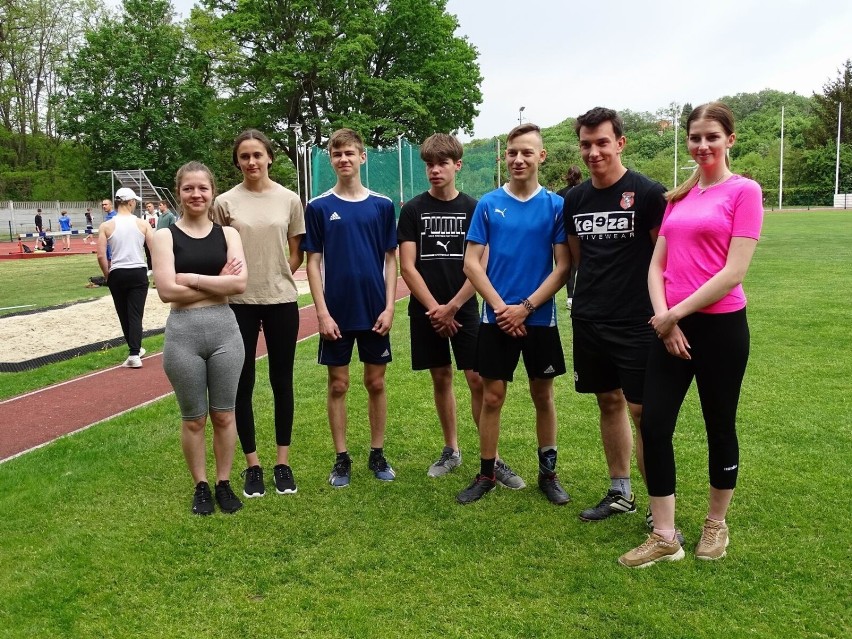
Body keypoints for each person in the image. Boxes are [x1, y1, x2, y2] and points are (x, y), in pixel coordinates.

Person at [619, 102, 763, 567]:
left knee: (719, 425)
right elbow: (656, 265)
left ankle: (716, 523)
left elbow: (734, 271)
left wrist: (673, 314)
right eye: (695, 137)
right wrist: (667, 321)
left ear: (729, 140)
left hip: (721, 328)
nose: (702, 146)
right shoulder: (677, 196)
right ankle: (664, 535)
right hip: (670, 327)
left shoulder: (745, 192)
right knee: (655, 425)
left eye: (711, 137)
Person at [456, 123, 571, 506]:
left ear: (541, 157)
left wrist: (525, 308)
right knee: (492, 397)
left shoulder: (555, 205)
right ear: (504, 157)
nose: (518, 159)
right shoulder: (488, 204)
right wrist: (500, 307)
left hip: (539, 319)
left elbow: (562, 267)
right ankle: (487, 473)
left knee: (543, 395)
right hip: (496, 319)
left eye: (526, 152)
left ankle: (548, 474)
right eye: (511, 152)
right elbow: (471, 263)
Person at [564, 107, 666, 524]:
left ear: (620, 143)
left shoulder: (646, 193)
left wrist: (666, 315)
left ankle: (658, 504)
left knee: (643, 412)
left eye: (602, 142)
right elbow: (577, 259)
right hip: (590, 319)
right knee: (608, 402)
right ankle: (620, 491)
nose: (593, 151)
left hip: (637, 322)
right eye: (586, 144)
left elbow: (663, 261)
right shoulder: (574, 199)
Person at [212, 129, 305, 497]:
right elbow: (216, 249)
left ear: (269, 158)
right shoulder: (224, 202)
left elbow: (296, 249)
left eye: (258, 155)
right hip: (238, 304)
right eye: (245, 156)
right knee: (243, 384)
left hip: (281, 299)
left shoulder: (290, 199)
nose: (252, 162)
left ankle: (282, 463)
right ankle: (253, 465)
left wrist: (280, 271)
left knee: (282, 382)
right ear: (237, 161)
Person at [302, 128, 398, 488]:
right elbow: (313, 263)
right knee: (338, 384)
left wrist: (389, 307)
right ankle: (342, 458)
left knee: (375, 382)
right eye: (337, 154)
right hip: (337, 313)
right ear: (331, 160)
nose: (343, 159)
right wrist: (322, 313)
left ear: (363, 157)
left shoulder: (382, 205)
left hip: (374, 310)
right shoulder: (319, 206)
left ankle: (377, 452)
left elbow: (392, 260)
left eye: (349, 153)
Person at [152, 161, 248, 516]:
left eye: (202, 188)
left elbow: (238, 285)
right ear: (179, 192)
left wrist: (188, 278)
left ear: (213, 192)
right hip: (183, 335)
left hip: (225, 332)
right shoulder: (164, 236)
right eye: (189, 188)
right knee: (194, 418)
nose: (196, 194)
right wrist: (212, 281)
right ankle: (201, 486)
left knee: (224, 414)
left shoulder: (228, 235)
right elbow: (165, 292)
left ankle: (223, 482)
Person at [398, 133, 491, 478]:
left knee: (477, 378)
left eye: (442, 164)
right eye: (429, 164)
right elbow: (407, 266)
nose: (435, 170)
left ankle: (489, 454)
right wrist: (436, 308)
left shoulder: (473, 208)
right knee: (441, 376)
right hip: (426, 309)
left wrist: (452, 306)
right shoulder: (412, 210)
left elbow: (480, 264)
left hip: (463, 306)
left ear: (457, 165)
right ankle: (451, 449)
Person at [97, 187, 153, 368]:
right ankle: (135, 353)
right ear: (130, 202)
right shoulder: (143, 224)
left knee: (123, 314)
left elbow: (100, 255)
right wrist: (155, 271)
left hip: (118, 272)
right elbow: (153, 250)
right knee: (135, 314)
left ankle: (135, 349)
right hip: (138, 271)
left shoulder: (106, 226)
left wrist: (107, 275)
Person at [556, 165, 583, 309]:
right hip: (582, 234)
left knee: (571, 267)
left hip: (566, 234)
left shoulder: (560, 193)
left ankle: (571, 297)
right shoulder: (584, 191)